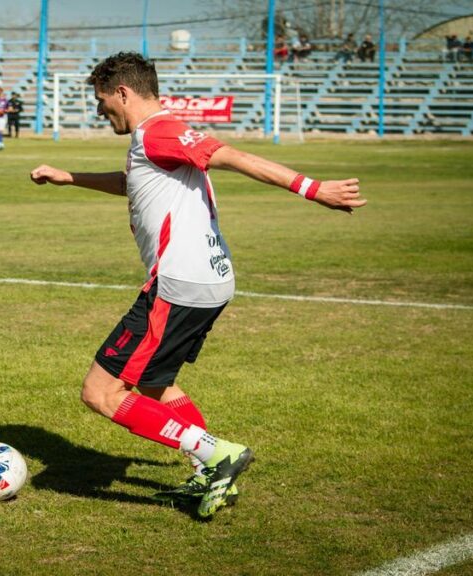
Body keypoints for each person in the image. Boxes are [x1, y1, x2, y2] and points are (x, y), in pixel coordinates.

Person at [29, 52, 365, 518]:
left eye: (102, 100)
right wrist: (70, 177)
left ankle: (216, 454)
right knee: (155, 382)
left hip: (178, 284)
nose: (100, 109)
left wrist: (314, 188)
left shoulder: (159, 131)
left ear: (122, 92)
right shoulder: (158, 137)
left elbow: (228, 155)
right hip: (210, 278)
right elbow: (136, 183)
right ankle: (212, 478)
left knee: (101, 393)